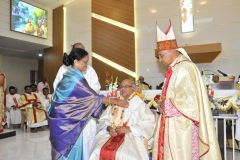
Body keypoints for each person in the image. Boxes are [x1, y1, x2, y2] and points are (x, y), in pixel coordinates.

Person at [152, 21, 221, 160]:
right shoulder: (174, 68)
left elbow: (190, 102)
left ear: (172, 51)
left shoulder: (184, 68)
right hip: (173, 124)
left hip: (182, 127)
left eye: (161, 55)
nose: (160, 60)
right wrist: (161, 102)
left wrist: (167, 104)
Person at [48, 48, 129, 160]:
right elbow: (92, 98)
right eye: (85, 61)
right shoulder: (75, 78)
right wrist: (116, 101)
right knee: (70, 150)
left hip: (66, 119)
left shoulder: (70, 74)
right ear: (76, 61)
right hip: (68, 124)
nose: (87, 64)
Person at [53, 42, 101, 160]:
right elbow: (57, 88)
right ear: (74, 55)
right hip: (69, 114)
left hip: (86, 112)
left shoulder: (90, 70)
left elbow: (96, 87)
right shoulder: (64, 69)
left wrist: (86, 98)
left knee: (86, 145)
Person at [89, 79, 155, 160]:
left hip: (131, 136)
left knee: (124, 154)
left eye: (126, 86)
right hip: (111, 134)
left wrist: (129, 128)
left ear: (133, 89)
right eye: (121, 86)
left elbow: (149, 123)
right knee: (97, 150)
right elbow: (103, 120)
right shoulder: (116, 102)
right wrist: (109, 128)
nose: (123, 88)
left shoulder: (139, 104)